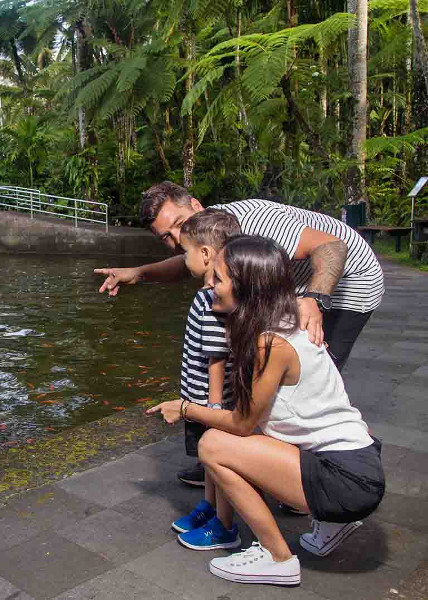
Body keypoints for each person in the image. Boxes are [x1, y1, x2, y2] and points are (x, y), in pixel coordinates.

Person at [96, 181, 384, 488]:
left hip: (345, 283)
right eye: (166, 236)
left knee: (306, 384)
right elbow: (188, 261)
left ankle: (329, 471)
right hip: (291, 288)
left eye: (179, 226)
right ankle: (234, 458)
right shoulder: (211, 233)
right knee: (263, 379)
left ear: (195, 205)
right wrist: (139, 273)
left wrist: (316, 299)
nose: (178, 240)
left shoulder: (257, 225)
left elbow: (333, 246)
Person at [147, 235, 384, 586]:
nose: (209, 284)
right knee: (240, 436)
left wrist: (185, 409)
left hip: (346, 480)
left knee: (213, 444)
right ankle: (332, 525)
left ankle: (277, 557)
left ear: (246, 288)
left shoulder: (269, 342)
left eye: (219, 278)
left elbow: (241, 425)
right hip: (359, 462)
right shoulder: (284, 324)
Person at [170, 209, 241, 551]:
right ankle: (209, 508)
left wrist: (212, 406)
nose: (182, 259)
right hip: (205, 399)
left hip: (207, 400)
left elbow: (216, 356)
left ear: (205, 253)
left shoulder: (209, 298)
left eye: (184, 252)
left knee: (216, 461)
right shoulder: (218, 293)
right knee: (208, 463)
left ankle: (223, 525)